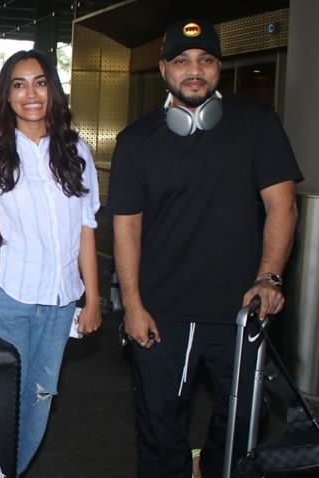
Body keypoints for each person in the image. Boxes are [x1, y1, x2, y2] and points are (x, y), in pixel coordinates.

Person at [107, 19, 301, 478]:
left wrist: (269, 276)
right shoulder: (136, 140)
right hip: (161, 313)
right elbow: (126, 228)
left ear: (219, 67)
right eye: (182, 61)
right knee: (159, 430)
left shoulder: (257, 124)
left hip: (240, 310)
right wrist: (132, 305)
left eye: (206, 60)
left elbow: (283, 206)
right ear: (164, 69)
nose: (194, 70)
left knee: (243, 423)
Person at [0, 49, 102, 475]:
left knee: (39, 401)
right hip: (8, 295)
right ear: (6, 95)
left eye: (40, 83)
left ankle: (8, 472)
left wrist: (93, 299)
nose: (31, 94)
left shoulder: (75, 150)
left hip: (60, 302)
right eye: (19, 85)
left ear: (52, 90)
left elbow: (86, 227)